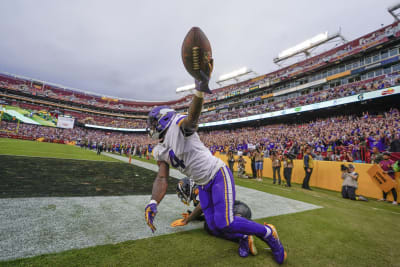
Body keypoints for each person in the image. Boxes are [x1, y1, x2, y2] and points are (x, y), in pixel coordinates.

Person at [144, 64, 286, 264]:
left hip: (217, 174)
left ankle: (268, 233)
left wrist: (199, 91)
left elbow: (192, 121)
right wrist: (152, 202)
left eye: (152, 122)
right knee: (213, 225)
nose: (149, 127)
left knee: (224, 221)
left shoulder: (178, 125)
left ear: (163, 119)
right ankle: (243, 237)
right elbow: (161, 177)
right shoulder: (159, 149)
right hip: (203, 184)